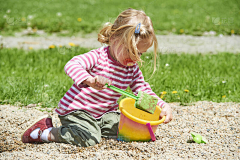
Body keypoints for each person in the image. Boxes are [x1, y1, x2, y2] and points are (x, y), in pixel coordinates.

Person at [21, 8, 173, 147]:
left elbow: (142, 91)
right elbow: (72, 64)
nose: (135, 58)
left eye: (140, 53)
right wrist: (90, 80)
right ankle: (45, 131)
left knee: (129, 130)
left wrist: (161, 106)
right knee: (89, 138)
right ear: (114, 38)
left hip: (105, 115)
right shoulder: (99, 57)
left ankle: (93, 128)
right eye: (130, 50)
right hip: (77, 111)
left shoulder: (131, 68)